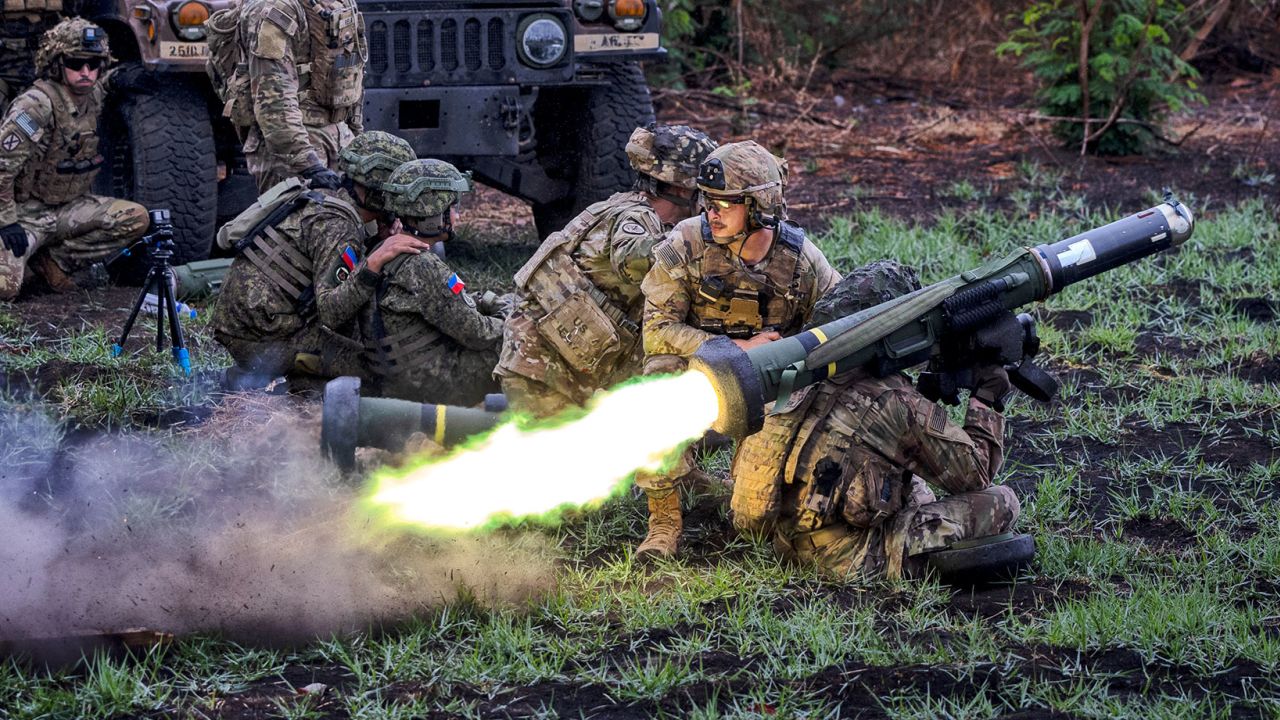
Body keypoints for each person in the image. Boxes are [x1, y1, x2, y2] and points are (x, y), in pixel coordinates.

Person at [730, 261, 1021, 580]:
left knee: (918, 488)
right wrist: (988, 396)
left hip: (782, 543)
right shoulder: (890, 399)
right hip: (846, 558)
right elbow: (976, 474)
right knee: (1001, 502)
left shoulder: (788, 378)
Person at [636, 140, 841, 558]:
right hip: (696, 374)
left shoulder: (801, 261)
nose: (711, 212)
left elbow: (839, 326)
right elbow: (657, 330)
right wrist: (736, 348)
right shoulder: (687, 243)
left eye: (725, 204)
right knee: (656, 382)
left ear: (760, 206)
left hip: (771, 391)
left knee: (751, 514)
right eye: (708, 201)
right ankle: (663, 522)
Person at [495, 123, 718, 417]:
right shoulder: (635, 218)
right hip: (545, 378)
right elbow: (632, 259)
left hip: (555, 369)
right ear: (681, 187)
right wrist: (704, 237)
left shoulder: (621, 206)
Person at [211, 130, 422, 388]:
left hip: (257, 324)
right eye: (398, 191)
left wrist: (377, 240)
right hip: (263, 339)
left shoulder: (328, 198)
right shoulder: (337, 225)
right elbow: (333, 312)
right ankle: (274, 383)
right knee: (380, 371)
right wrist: (375, 262)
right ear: (378, 191)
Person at [0, 18, 149, 300]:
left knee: (134, 218)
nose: (86, 72)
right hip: (25, 215)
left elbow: (103, 86)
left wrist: (121, 77)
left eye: (94, 65)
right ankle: (27, 261)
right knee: (5, 288)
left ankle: (53, 263)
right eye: (76, 63)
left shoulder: (91, 95)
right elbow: (2, 166)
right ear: (57, 64)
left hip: (67, 210)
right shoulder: (35, 107)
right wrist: (7, 222)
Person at [360, 158, 506, 407]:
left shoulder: (383, 251)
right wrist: (510, 317)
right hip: (435, 386)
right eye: (452, 207)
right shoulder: (423, 266)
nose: (457, 214)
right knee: (521, 339)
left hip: (396, 382)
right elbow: (478, 334)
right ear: (432, 215)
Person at [239, 0, 366, 193]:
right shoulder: (277, 10)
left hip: (338, 139)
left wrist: (358, 141)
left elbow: (349, 75)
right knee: (304, 222)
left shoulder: (336, 3)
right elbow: (273, 99)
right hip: (295, 150)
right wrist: (308, 166)